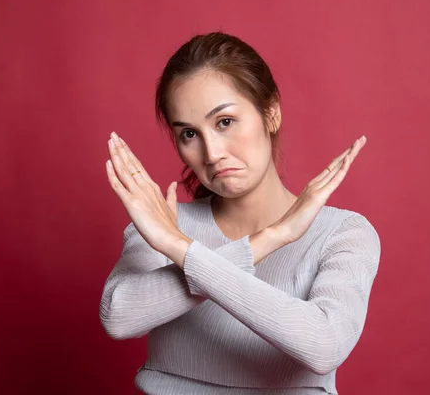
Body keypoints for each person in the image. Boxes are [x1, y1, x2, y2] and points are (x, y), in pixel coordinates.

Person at [99, 32, 381, 394]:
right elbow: (119, 317)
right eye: (188, 134)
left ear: (270, 113)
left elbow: (324, 346)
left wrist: (183, 252)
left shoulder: (341, 233)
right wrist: (269, 239)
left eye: (225, 122)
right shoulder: (164, 225)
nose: (212, 152)